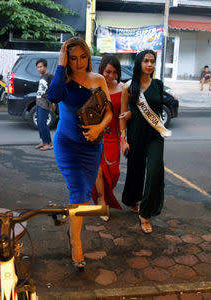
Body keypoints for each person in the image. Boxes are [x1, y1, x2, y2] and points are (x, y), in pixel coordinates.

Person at [48, 37, 113, 271]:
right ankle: (76, 243)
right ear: (66, 58)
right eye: (72, 58)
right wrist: (60, 65)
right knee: (78, 191)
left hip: (92, 146)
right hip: (67, 145)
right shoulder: (62, 81)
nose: (78, 62)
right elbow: (52, 97)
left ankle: (72, 232)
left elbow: (109, 111)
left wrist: (99, 127)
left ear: (88, 56)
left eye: (82, 57)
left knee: (85, 194)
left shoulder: (98, 79)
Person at [120, 49, 168, 234]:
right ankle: (133, 199)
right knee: (136, 170)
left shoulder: (158, 84)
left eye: (153, 61)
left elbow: (157, 108)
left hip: (155, 134)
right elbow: (122, 116)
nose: (150, 64)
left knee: (155, 170)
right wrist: (123, 140)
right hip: (136, 133)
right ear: (139, 63)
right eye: (146, 61)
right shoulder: (129, 87)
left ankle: (145, 214)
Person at [92, 55, 130, 221]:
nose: (110, 76)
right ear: (102, 70)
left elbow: (122, 116)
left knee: (113, 172)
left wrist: (123, 139)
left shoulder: (122, 89)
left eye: (114, 72)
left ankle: (105, 195)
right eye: (108, 72)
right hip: (96, 136)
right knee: (98, 171)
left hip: (113, 136)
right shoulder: (93, 86)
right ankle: (102, 201)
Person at [34, 58, 54, 151]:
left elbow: (54, 90)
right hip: (39, 101)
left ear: (45, 66)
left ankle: (49, 143)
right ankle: (44, 141)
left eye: (41, 66)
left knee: (43, 123)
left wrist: (54, 102)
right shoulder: (41, 76)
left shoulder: (50, 76)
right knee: (39, 123)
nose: (39, 69)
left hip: (45, 103)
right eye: (37, 67)